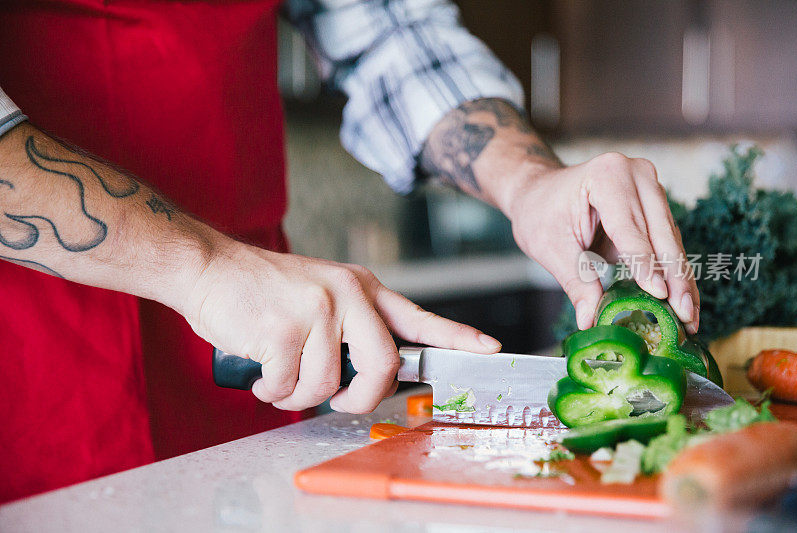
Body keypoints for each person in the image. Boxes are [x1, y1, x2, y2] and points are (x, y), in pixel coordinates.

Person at [0, 0, 698, 502]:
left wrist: (530, 180)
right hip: (39, 376)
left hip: (264, 365)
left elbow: (390, 31)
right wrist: (202, 269)